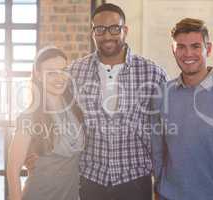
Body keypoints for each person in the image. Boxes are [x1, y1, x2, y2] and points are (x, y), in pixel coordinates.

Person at [68, 3, 167, 200]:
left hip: (135, 179)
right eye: (100, 29)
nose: (107, 36)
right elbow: (57, 116)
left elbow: (162, 131)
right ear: (92, 32)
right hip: (90, 178)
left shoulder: (152, 72)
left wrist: (161, 179)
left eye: (114, 28)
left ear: (125, 30)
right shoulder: (75, 71)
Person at [151, 18, 213, 200]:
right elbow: (158, 153)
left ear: (208, 49)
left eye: (195, 46)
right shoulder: (162, 95)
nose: (188, 53)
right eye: (181, 47)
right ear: (173, 50)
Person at [7, 46, 84, 200]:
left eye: (63, 70)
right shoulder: (30, 117)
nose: (59, 78)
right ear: (38, 75)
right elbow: (13, 170)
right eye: (51, 73)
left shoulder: (76, 109)